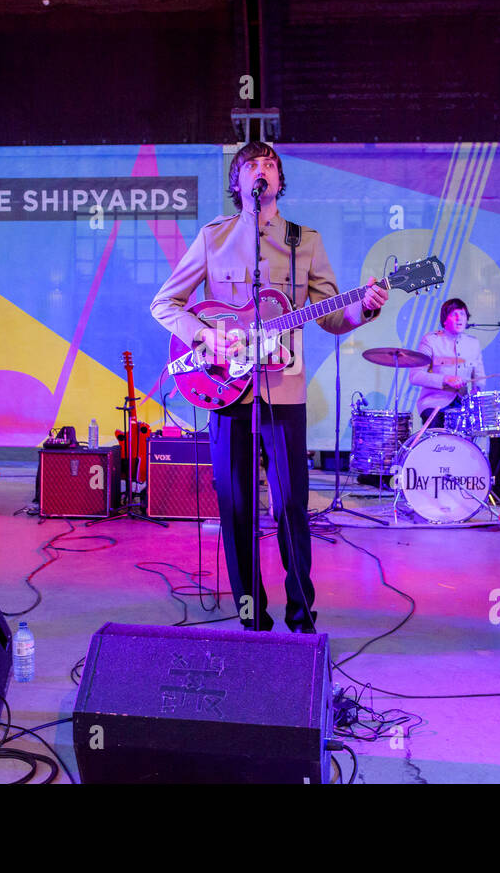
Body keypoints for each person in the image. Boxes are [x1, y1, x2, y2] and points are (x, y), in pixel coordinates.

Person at [151, 142, 387, 634]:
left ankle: (302, 617)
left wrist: (365, 307)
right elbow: (165, 304)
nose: (263, 171)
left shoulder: (305, 241)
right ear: (237, 182)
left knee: (291, 506)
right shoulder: (213, 238)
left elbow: (332, 317)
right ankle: (250, 617)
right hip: (224, 392)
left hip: (283, 393)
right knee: (235, 508)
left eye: (271, 165)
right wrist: (205, 334)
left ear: (280, 181)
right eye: (252, 166)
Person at [410, 297, 500, 501]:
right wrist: (445, 379)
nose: (459, 318)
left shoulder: (473, 344)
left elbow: (479, 379)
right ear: (445, 318)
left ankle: (494, 484)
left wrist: (476, 396)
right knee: (437, 429)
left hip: (464, 404)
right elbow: (415, 376)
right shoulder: (431, 340)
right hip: (435, 402)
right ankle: (433, 483)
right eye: (455, 314)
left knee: (498, 430)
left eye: (463, 314)